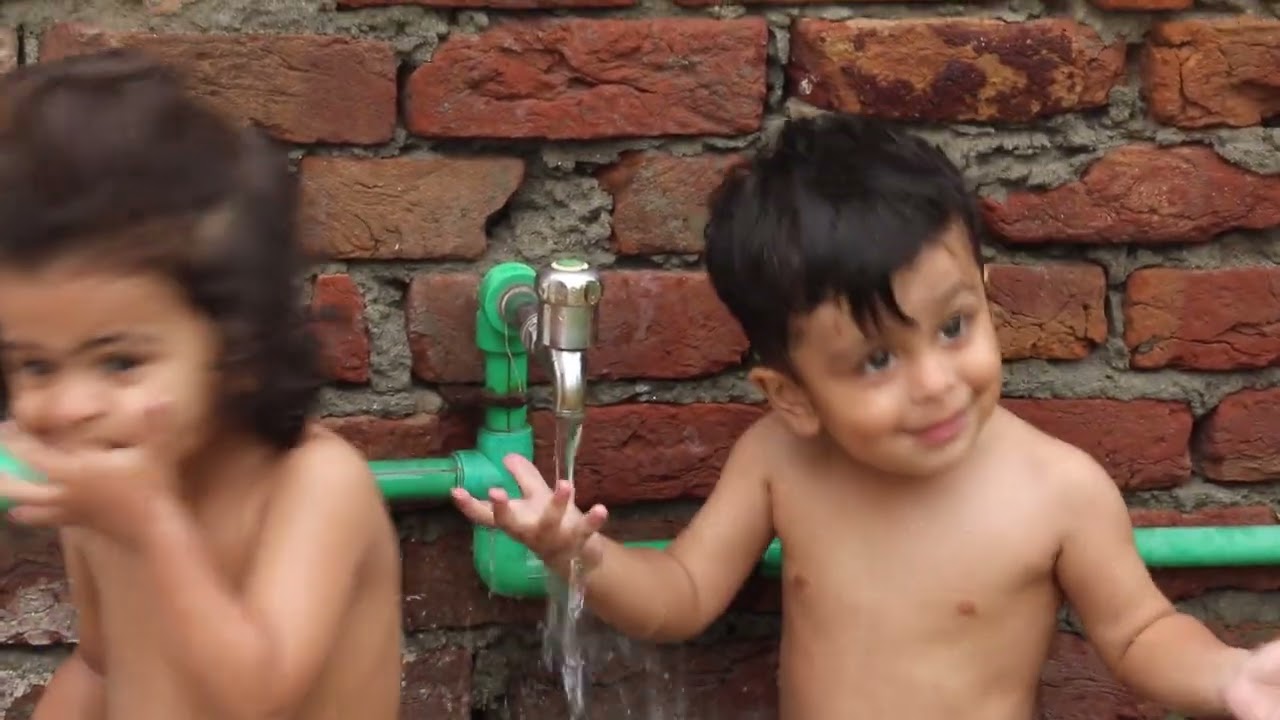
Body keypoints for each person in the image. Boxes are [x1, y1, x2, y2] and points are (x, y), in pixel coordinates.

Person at [453, 112, 1280, 719]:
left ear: (988, 302)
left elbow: (1138, 635)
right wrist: (581, 555)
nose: (934, 382)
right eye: (877, 359)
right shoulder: (780, 461)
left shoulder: (1058, 489)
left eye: (954, 327)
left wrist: (1227, 676)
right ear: (793, 397)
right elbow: (683, 596)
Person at [0, 50, 403, 720]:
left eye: (120, 362)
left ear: (237, 348)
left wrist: (152, 528)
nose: (70, 407)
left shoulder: (313, 487)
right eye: (35, 366)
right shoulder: (110, 482)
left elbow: (255, 695)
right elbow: (100, 666)